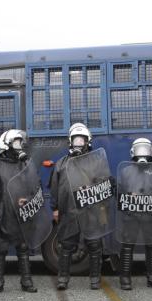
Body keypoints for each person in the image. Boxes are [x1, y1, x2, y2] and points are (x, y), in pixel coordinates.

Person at [49, 123, 108, 291]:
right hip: (69, 211)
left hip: (91, 210)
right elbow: (54, 187)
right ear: (70, 141)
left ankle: (95, 279)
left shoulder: (96, 162)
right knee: (66, 246)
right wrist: (55, 208)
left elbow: (104, 183)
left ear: (88, 141)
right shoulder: (61, 163)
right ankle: (63, 278)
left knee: (94, 245)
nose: (79, 143)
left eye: (82, 140)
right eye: (76, 139)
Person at [0, 129, 36, 294]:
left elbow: (33, 186)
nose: (19, 146)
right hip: (3, 211)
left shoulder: (25, 163)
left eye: (20, 142)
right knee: (1, 249)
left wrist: (28, 200)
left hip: (21, 212)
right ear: (6, 144)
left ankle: (26, 281)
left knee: (23, 248)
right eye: (15, 142)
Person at [118, 138, 152, 291]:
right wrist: (129, 195)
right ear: (133, 151)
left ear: (151, 151)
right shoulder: (125, 171)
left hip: (149, 214)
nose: (142, 152)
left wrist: (149, 197)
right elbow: (120, 191)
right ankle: (125, 277)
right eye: (140, 149)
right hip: (131, 214)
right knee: (127, 246)